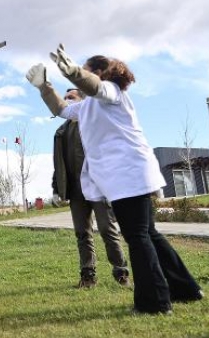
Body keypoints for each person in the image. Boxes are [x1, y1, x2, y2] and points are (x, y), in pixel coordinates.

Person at [26, 45, 203, 315]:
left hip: (129, 174)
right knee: (149, 234)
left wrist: (73, 71)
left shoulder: (112, 92)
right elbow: (62, 109)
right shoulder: (86, 107)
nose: (81, 77)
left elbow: (96, 87)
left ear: (99, 72)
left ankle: (154, 303)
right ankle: (185, 289)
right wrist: (44, 87)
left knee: (137, 236)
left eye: (86, 70)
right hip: (122, 178)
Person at [52, 87, 130, 289]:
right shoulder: (61, 131)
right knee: (82, 233)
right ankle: (88, 276)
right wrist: (56, 189)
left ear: (82, 101)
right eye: (65, 98)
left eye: (72, 97)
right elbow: (59, 164)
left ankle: (121, 272)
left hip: (98, 187)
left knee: (107, 229)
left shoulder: (94, 123)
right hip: (76, 192)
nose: (67, 100)